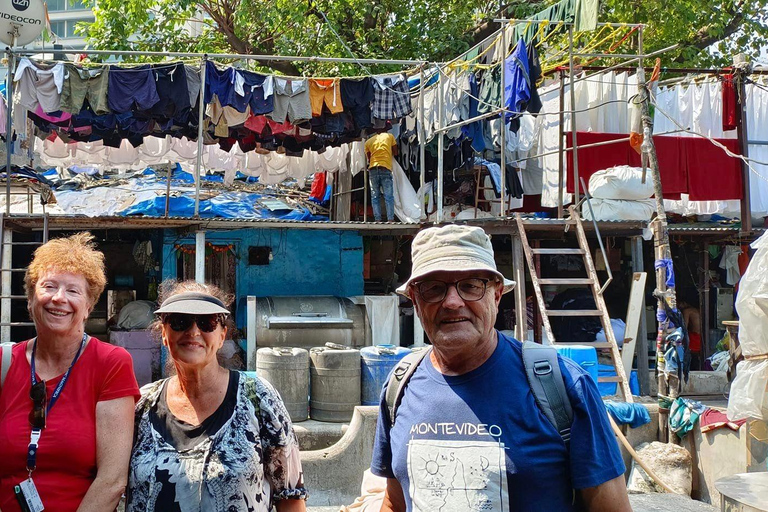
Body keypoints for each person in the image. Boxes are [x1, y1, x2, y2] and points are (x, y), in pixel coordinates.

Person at [371, 225, 631, 511]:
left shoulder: (564, 386)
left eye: (471, 285)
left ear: (496, 295)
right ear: (415, 301)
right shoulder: (400, 386)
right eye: (434, 288)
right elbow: (394, 502)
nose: (453, 302)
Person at [127, 280, 307, 512]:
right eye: (180, 321)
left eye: (207, 322)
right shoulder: (142, 405)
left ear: (222, 336)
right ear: (164, 333)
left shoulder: (258, 398)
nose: (193, 331)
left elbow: (290, 497)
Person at [0, 232, 140, 512]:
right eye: (48, 286)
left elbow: (112, 481)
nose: (58, 299)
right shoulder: (4, 363)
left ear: (89, 306)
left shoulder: (110, 363)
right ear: (30, 299)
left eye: (73, 291)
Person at [364, 130, 398, 222]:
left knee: (375, 197)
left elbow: (369, 158)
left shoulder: (368, 142)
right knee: (388, 196)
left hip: (373, 169)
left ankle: (377, 219)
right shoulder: (390, 136)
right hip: (385, 168)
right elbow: (395, 152)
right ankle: (390, 219)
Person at [679, 296, 702, 370]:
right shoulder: (698, 310)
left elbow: (684, 326)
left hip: (694, 336)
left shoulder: (687, 311)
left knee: (691, 354)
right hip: (700, 335)